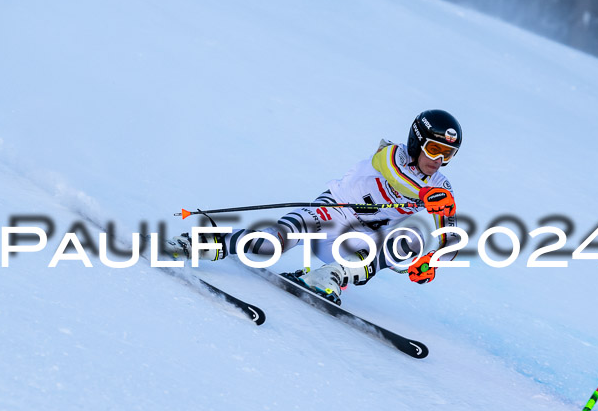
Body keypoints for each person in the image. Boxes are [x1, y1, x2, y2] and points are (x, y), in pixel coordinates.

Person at [165, 109, 462, 303]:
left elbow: (451, 243)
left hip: (360, 242)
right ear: (416, 141)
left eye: (447, 154)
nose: (438, 160)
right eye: (434, 149)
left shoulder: (441, 186)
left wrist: (430, 261)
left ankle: (330, 276)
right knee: (269, 245)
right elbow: (397, 180)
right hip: (331, 214)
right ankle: (194, 243)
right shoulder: (390, 154)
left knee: (412, 240)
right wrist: (425, 194)